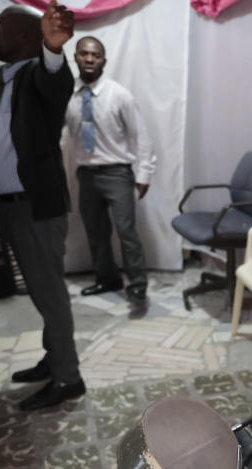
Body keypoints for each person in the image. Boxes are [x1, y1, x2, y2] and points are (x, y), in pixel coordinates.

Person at [0, 1, 85, 411]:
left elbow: (55, 80)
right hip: (8, 205)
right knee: (42, 292)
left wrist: (53, 47)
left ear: (26, 38)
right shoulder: (0, 79)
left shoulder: (38, 75)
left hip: (35, 206)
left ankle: (68, 378)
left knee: (50, 294)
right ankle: (54, 359)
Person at [65, 35, 156, 302]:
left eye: (96, 55)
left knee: (127, 231)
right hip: (86, 174)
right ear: (76, 57)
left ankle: (138, 284)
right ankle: (107, 279)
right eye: (84, 54)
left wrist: (144, 174)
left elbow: (142, 137)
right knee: (96, 232)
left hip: (117, 173)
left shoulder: (120, 95)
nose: (90, 59)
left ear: (104, 60)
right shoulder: (68, 95)